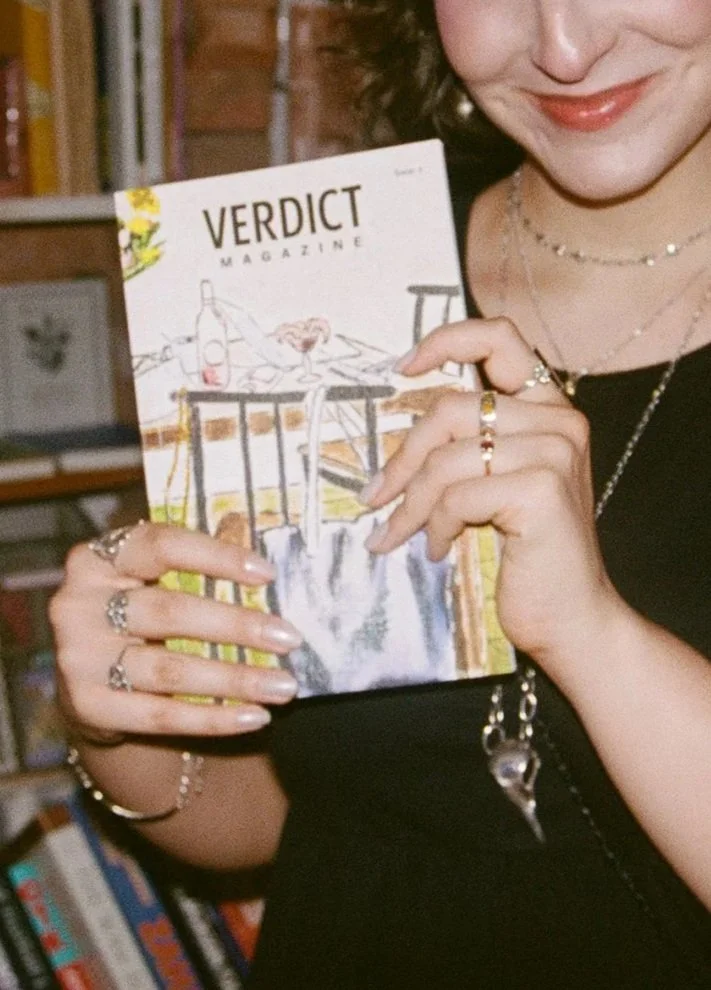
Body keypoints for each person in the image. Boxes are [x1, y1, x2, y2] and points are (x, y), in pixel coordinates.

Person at [50, 2, 711, 986]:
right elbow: (288, 810)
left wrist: (591, 631)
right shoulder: (333, 279)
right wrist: (118, 721)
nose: (565, 48)